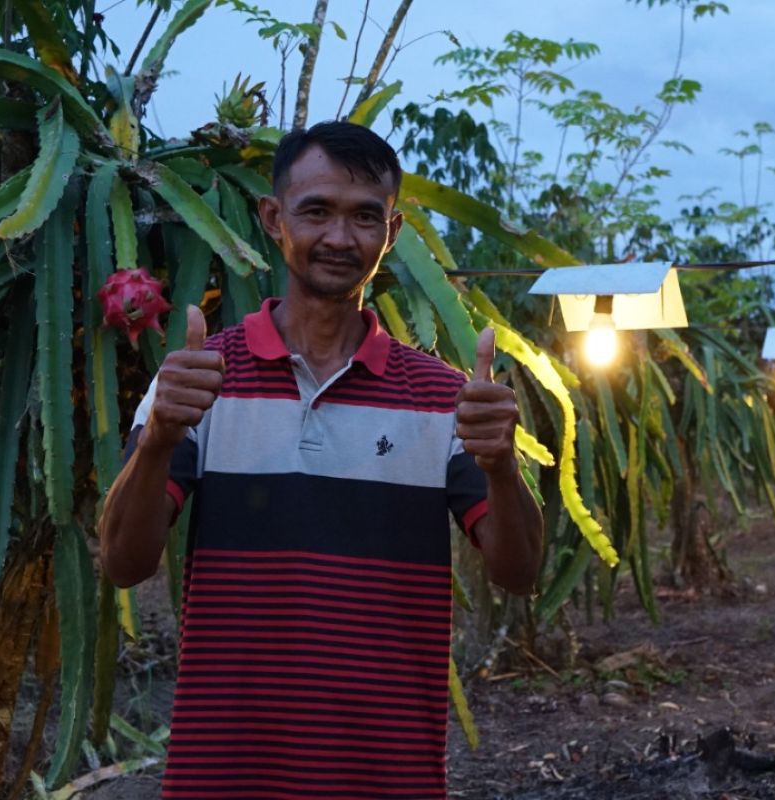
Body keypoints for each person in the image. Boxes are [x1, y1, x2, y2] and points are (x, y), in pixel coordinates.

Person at [99, 120, 543, 799]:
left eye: (366, 217)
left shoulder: (444, 398)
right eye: (317, 212)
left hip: (387, 776)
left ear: (391, 234)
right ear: (274, 219)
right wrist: (157, 440)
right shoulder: (196, 382)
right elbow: (124, 565)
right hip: (223, 777)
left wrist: (503, 467)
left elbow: (518, 571)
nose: (340, 238)